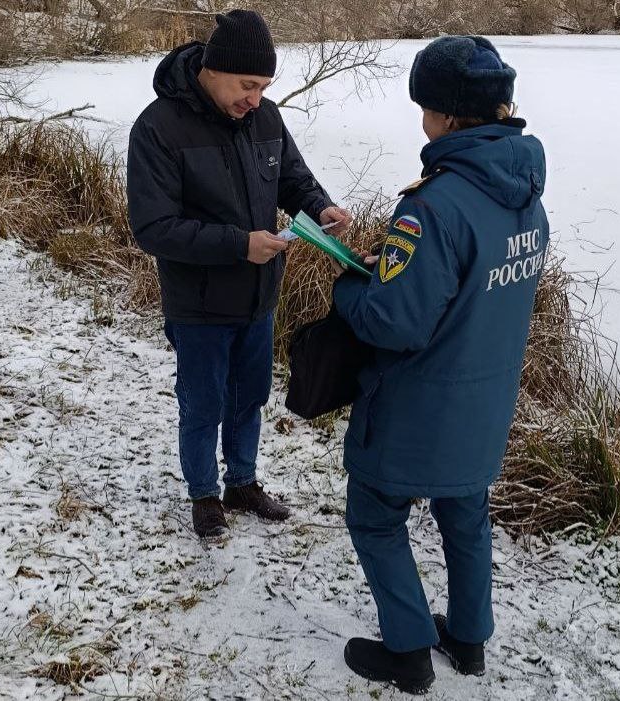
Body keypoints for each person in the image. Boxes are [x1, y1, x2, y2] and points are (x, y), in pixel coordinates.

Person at [331, 36, 549, 694]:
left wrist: (351, 285)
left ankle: (408, 651)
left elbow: (394, 323)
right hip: (484, 405)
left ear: (449, 118)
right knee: (465, 513)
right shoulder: (526, 199)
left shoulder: (431, 208)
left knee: (374, 514)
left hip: (415, 407)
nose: (420, 118)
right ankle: (470, 637)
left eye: (425, 106)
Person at [126, 10, 352, 539]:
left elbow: (294, 181)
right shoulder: (158, 128)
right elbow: (153, 227)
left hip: (259, 296)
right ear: (212, 68)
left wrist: (320, 208)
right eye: (248, 85)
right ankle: (204, 495)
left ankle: (243, 483)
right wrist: (238, 245)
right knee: (203, 404)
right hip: (199, 303)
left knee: (249, 397)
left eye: (265, 86)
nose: (256, 98)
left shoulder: (266, 119)